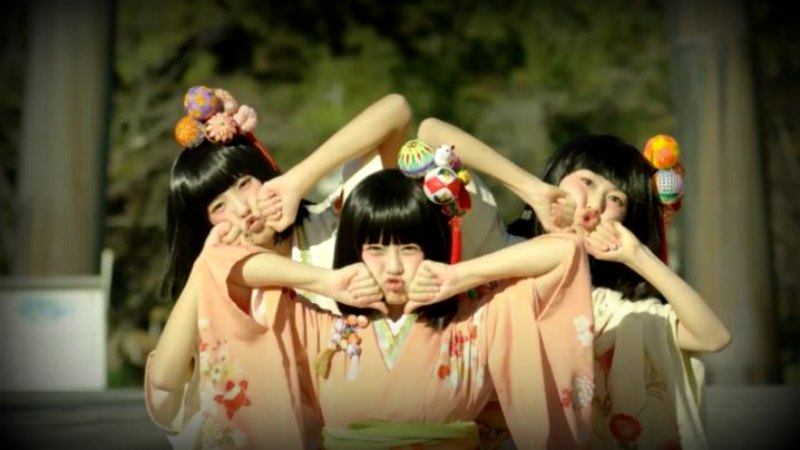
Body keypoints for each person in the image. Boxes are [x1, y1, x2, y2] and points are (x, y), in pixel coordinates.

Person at [200, 167, 595, 449]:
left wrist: (462, 277)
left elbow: (565, 250)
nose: (392, 267)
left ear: (433, 248)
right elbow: (221, 264)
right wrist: (324, 281)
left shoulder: (476, 317)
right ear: (354, 251)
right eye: (375, 248)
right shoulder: (317, 324)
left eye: (409, 248)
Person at [508, 134, 731, 449]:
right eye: (586, 180)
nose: (596, 203)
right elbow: (434, 132)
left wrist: (637, 255)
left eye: (617, 199)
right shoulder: (499, 253)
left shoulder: (608, 308)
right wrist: (534, 191)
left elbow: (713, 336)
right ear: (557, 177)